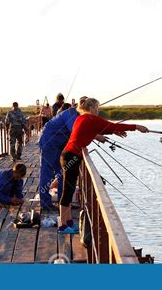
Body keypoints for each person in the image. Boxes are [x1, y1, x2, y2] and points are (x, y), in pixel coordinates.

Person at [58, 98, 149, 233]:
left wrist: (113, 131)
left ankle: (69, 222)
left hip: (68, 155)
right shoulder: (91, 119)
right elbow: (112, 126)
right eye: (97, 108)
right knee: (67, 192)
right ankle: (63, 226)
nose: (98, 111)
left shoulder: (82, 118)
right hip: (72, 156)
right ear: (93, 108)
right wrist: (136, 127)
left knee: (69, 190)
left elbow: (102, 129)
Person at [38, 96, 107, 210]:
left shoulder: (80, 116)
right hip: (49, 142)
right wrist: (97, 136)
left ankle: (64, 203)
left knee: (62, 173)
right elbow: (77, 131)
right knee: (47, 173)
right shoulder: (71, 114)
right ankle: (45, 203)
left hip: (60, 144)